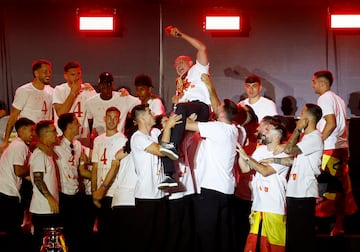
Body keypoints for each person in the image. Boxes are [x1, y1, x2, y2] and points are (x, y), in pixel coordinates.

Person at [159, 26, 212, 188]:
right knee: (162, 136)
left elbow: (202, 48)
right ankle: (169, 175)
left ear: (190, 63)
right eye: (176, 64)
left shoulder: (198, 69)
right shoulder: (180, 84)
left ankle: (173, 147)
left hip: (201, 108)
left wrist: (181, 34)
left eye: (181, 62)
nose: (178, 65)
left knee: (181, 108)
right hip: (186, 112)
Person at [185, 98, 239, 252]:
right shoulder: (234, 130)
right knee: (222, 234)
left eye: (218, 107)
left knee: (206, 234)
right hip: (227, 191)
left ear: (222, 112)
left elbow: (188, 125)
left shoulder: (218, 128)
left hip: (212, 190)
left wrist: (189, 115)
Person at [311, 70, 358, 236]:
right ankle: (338, 226)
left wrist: (318, 141)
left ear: (322, 83)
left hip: (331, 148)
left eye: (314, 81)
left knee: (326, 190)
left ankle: (325, 227)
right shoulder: (339, 99)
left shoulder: (324, 98)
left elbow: (330, 123)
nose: (312, 84)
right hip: (341, 148)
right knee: (339, 189)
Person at [130, 104, 181, 252]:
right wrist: (168, 127)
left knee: (160, 240)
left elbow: (168, 142)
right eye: (149, 112)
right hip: (146, 197)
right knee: (146, 240)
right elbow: (162, 151)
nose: (153, 114)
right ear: (142, 117)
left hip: (160, 195)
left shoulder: (155, 132)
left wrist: (169, 126)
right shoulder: (137, 137)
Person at [237, 121, 289, 252]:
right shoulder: (260, 150)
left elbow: (265, 171)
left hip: (274, 209)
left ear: (278, 134)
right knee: (253, 247)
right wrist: (241, 154)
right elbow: (245, 169)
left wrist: (247, 158)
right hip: (257, 207)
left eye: (267, 130)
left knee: (275, 248)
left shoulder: (284, 153)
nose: (263, 132)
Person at [284, 104, 323, 252]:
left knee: (301, 238)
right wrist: (273, 161)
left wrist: (297, 129)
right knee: (293, 237)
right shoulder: (307, 138)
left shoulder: (314, 138)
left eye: (301, 114)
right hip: (295, 193)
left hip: (304, 194)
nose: (299, 117)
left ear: (307, 119)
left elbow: (289, 150)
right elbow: (295, 160)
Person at [90, 106, 128, 250]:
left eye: (115, 118)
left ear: (119, 120)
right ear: (105, 118)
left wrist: (103, 189)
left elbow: (117, 166)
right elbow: (95, 166)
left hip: (112, 192)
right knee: (99, 231)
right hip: (98, 191)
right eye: (109, 117)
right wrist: (94, 190)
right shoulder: (98, 140)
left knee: (111, 230)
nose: (112, 120)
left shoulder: (122, 140)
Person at [54, 113, 92, 251]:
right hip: (62, 193)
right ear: (69, 126)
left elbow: (84, 161)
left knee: (77, 229)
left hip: (76, 193)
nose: (79, 125)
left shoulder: (77, 145)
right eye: (76, 123)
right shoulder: (56, 145)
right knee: (64, 230)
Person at [0, 59, 54, 153]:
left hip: (44, 139)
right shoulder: (24, 91)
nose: (48, 74)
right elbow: (13, 117)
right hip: (28, 139)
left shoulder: (51, 91)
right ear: (36, 73)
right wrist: (5, 141)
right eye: (45, 71)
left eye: (50, 71)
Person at [0, 117, 35, 251]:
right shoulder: (19, 146)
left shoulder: (18, 145)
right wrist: (34, 167)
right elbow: (19, 170)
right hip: (7, 193)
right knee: (13, 230)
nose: (33, 133)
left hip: (7, 192)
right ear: (21, 130)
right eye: (31, 130)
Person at [29, 120, 60, 251]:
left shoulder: (46, 153)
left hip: (48, 208)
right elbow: (38, 179)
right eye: (53, 131)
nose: (56, 133)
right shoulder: (39, 154)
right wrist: (50, 198)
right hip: (43, 209)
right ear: (45, 134)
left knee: (49, 245)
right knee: (43, 244)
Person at [84, 72, 140, 139]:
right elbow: (86, 119)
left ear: (113, 85)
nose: (106, 87)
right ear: (99, 86)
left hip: (118, 141)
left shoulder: (123, 98)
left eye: (109, 84)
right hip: (99, 141)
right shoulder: (91, 102)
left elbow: (142, 103)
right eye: (103, 84)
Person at [53, 61, 97, 146]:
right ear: (66, 76)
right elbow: (61, 113)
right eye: (73, 75)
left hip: (83, 136)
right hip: (63, 135)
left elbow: (99, 108)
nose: (77, 77)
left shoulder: (87, 90)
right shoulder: (59, 90)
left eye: (78, 73)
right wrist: (73, 92)